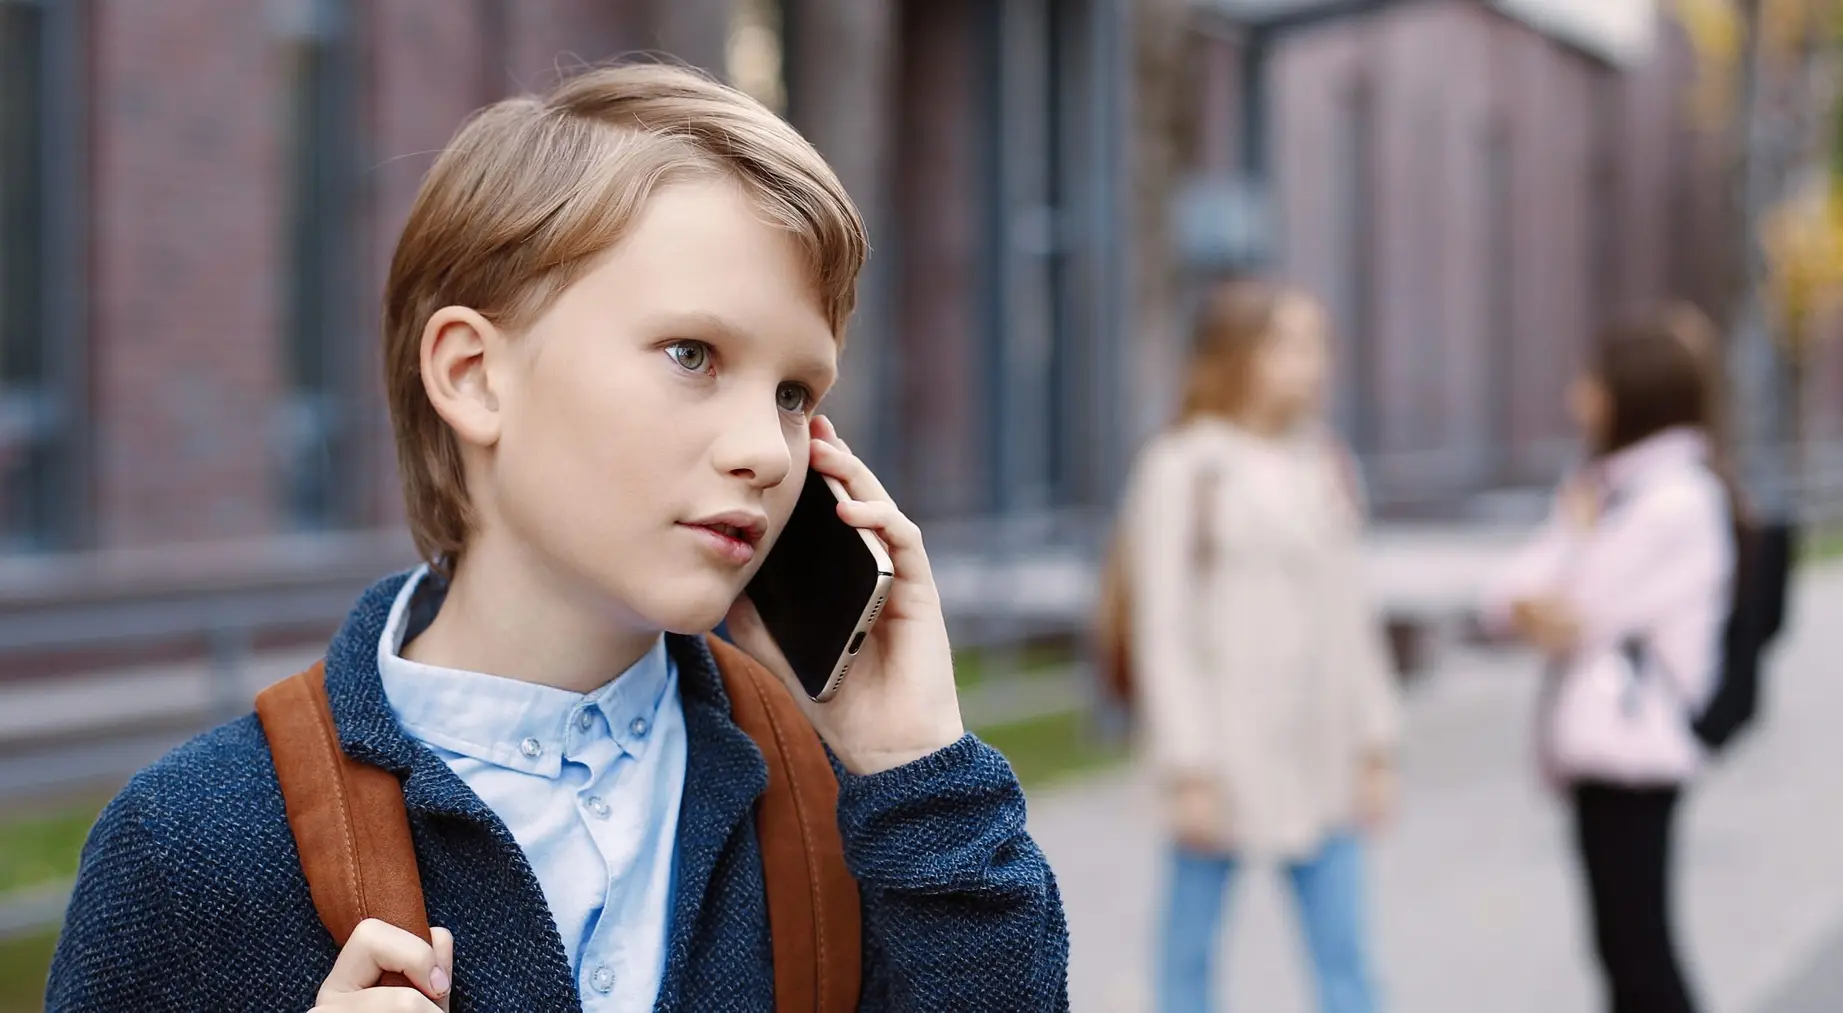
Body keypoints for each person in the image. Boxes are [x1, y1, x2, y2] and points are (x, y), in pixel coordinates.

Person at [47, 63, 1069, 1012]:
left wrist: (918, 773)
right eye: (691, 352)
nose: (767, 447)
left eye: (797, 391)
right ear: (474, 375)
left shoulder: (860, 816)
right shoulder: (191, 848)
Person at [1121, 278, 1403, 1013]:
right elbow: (1165, 623)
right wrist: (1189, 764)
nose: (1312, 363)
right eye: (1291, 343)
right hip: (1223, 746)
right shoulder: (1184, 465)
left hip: (1322, 747)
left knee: (1347, 958)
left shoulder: (1326, 463)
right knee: (1189, 956)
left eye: (1318, 345)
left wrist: (1375, 741)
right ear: (1239, 353)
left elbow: (1353, 612)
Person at [1480, 314, 1736, 1013]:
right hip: (1603, 747)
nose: (1577, 397)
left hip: (1637, 746)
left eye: (1591, 383)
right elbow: (1504, 600)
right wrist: (1546, 595)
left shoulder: (1674, 500)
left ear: (1633, 392)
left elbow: (1577, 607)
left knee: (1639, 951)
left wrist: (1560, 577)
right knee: (1620, 947)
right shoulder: (1607, 491)